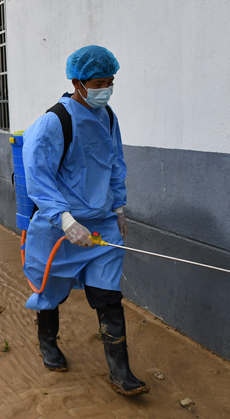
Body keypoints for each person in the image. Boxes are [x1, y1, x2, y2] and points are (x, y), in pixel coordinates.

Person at [22, 45, 148, 396]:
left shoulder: (108, 116)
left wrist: (119, 209)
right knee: (49, 291)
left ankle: (121, 373)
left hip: (102, 224)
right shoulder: (54, 122)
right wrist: (64, 220)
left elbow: (115, 164)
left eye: (110, 81)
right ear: (77, 82)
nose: (105, 88)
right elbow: (38, 177)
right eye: (98, 82)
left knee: (108, 296)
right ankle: (48, 344)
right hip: (58, 228)